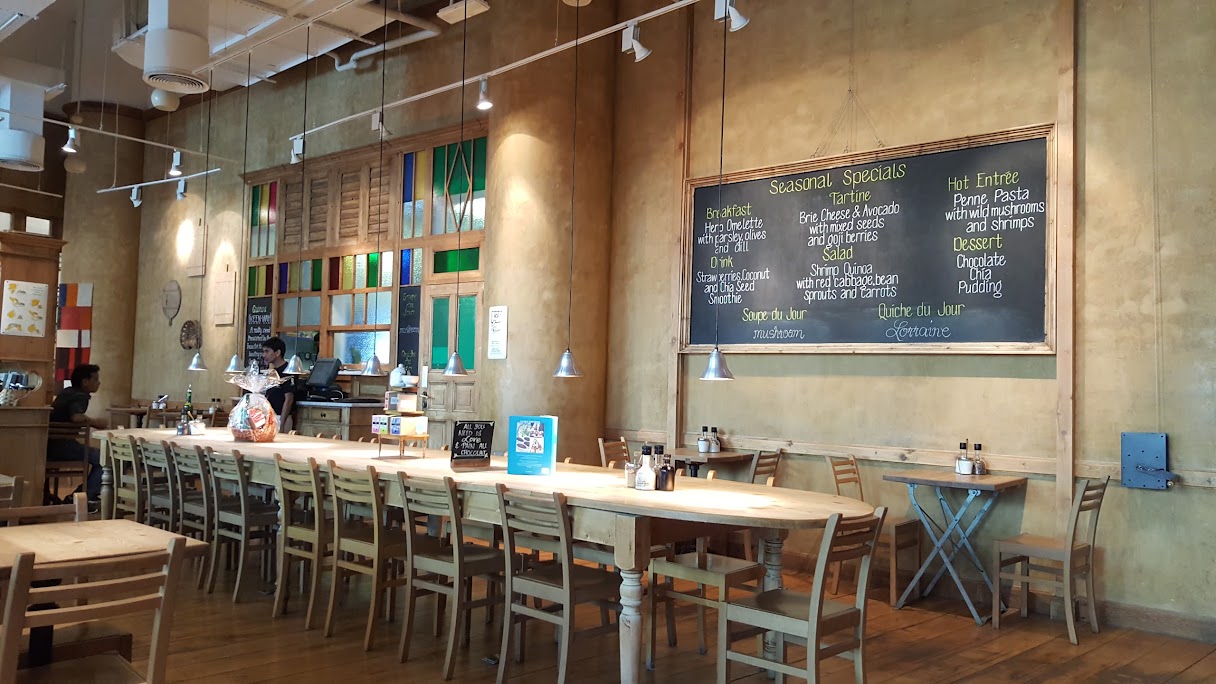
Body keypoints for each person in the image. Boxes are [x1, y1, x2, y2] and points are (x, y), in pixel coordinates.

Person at [47, 364, 107, 502]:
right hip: (62, 445)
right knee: (104, 459)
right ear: (85, 382)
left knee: (100, 457)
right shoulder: (80, 395)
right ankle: (82, 497)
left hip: (48, 445)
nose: (98, 383)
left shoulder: (67, 392)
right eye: (95, 379)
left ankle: (79, 496)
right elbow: (76, 417)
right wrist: (96, 423)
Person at [261, 337, 296, 432]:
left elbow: (289, 399)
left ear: (277, 353)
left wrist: (281, 423)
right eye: (263, 352)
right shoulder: (273, 372)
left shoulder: (288, 371)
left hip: (281, 417)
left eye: (267, 351)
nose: (264, 355)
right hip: (270, 416)